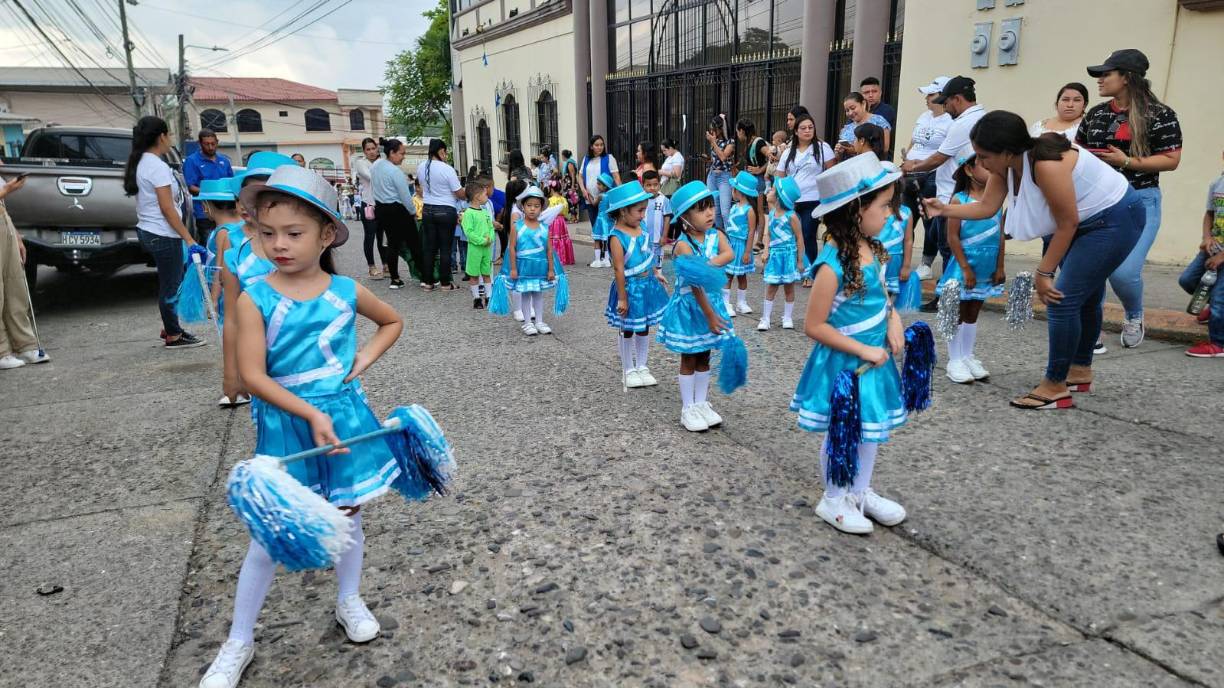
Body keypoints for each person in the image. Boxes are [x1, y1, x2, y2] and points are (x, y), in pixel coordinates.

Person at [199, 166, 405, 688]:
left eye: (294, 233)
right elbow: (251, 375)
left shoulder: (344, 289)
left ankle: (348, 599)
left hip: (344, 418)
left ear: (328, 234)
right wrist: (310, 411)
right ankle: (238, 640)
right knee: (267, 535)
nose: (279, 245)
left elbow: (393, 321)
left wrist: (361, 362)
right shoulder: (255, 297)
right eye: (268, 234)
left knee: (348, 513)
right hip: (288, 424)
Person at [923, 110, 1143, 410]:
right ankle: (1079, 370)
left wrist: (1044, 271)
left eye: (985, 156)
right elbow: (987, 207)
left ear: (1007, 151)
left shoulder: (1046, 165)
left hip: (1115, 218)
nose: (980, 163)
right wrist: (944, 210)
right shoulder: (1006, 165)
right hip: (1086, 220)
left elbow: (1068, 223)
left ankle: (1054, 386)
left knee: (1062, 299)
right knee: (1086, 296)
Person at [791, 152, 908, 535]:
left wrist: (893, 318)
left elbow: (882, 297)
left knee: (869, 428)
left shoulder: (873, 250)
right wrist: (862, 350)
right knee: (843, 430)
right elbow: (813, 325)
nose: (890, 214)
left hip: (874, 359)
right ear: (856, 210)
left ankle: (859, 492)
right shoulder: (832, 266)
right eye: (884, 205)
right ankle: (834, 497)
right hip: (846, 363)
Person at [1077, 49, 1183, 348]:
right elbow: (1079, 152)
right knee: (1090, 271)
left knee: (1124, 273)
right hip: (1098, 201)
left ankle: (1134, 314)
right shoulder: (1097, 113)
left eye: (1106, 74)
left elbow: (1171, 160)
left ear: (1126, 78)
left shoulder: (1159, 114)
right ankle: (1089, 332)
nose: (1100, 79)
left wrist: (1126, 162)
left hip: (1141, 199)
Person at [899, 76, 987, 310]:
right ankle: (952, 294)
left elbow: (939, 158)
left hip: (952, 195)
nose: (944, 106)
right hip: (955, 191)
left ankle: (948, 298)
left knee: (949, 246)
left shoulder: (962, 123)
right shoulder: (980, 116)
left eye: (946, 102)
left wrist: (913, 166)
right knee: (949, 244)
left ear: (957, 99)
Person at [656, 181, 734, 433]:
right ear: (686, 218)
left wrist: (705, 267)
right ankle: (687, 407)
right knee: (689, 356)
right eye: (702, 209)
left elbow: (729, 253)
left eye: (710, 206)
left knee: (705, 354)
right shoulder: (682, 245)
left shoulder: (716, 235)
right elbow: (696, 286)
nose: (710, 213)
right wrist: (710, 314)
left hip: (710, 302)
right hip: (692, 307)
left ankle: (701, 402)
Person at [123, 116, 203, 349]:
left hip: (151, 231)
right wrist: (189, 239)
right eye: (169, 135)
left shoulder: (143, 162)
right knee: (171, 286)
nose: (170, 140)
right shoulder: (156, 166)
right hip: (163, 233)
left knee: (169, 282)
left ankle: (170, 326)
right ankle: (174, 334)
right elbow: (167, 208)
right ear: (161, 137)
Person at [938, 151, 1005, 383]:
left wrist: (1000, 266)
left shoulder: (996, 199)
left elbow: (1000, 237)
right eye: (984, 166)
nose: (990, 171)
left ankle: (967, 356)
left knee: (973, 312)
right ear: (968, 169)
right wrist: (965, 268)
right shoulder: (959, 200)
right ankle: (954, 359)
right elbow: (953, 237)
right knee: (956, 311)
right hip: (965, 263)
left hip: (987, 264)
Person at [604, 181, 670, 388]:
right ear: (623, 211)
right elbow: (618, 270)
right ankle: (628, 368)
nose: (643, 215)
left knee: (644, 327)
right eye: (640, 211)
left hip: (647, 285)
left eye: (645, 210)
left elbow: (646, 255)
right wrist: (622, 298)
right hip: (630, 288)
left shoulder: (640, 229)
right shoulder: (616, 236)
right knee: (628, 329)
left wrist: (655, 273)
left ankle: (642, 365)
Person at [196, 178, 248, 406]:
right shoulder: (242, 226)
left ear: (206, 206)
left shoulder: (222, 233)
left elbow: (220, 272)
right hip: (246, 288)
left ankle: (240, 384)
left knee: (233, 337)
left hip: (230, 293)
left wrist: (213, 299)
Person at [774, 113, 836, 283]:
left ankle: (810, 272)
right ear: (796, 131)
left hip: (814, 199)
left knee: (808, 233)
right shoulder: (788, 152)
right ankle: (795, 268)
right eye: (803, 128)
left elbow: (831, 172)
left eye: (810, 127)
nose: (807, 131)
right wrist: (776, 198)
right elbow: (779, 175)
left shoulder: (823, 148)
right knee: (793, 235)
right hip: (791, 201)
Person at [904, 77, 953, 281]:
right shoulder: (924, 116)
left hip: (933, 175)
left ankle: (927, 262)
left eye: (931, 95)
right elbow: (914, 141)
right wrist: (907, 158)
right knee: (907, 217)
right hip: (911, 173)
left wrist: (919, 164)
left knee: (929, 221)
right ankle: (903, 260)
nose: (927, 99)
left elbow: (944, 152)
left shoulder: (951, 121)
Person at [1179, 149, 1224, 358]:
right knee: (1188, 280)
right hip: (1213, 248)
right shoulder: (1217, 183)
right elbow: (1209, 214)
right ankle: (1213, 308)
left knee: (1219, 300)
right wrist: (1206, 238)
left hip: (1222, 255)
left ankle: (1219, 344)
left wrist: (1221, 257)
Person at [0, 170, 46, 369]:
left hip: (3, 222)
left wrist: (15, 234)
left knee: (15, 285)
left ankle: (25, 345)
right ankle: (2, 350)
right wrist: (9, 188)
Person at [506, 186, 562, 335]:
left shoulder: (545, 228)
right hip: (523, 267)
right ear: (523, 207)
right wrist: (513, 268)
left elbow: (549, 249)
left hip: (539, 267)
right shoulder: (517, 227)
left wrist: (551, 269)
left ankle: (539, 321)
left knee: (538, 294)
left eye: (536, 206)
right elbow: (512, 248)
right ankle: (527, 322)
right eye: (529, 205)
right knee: (525, 294)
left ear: (541, 209)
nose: (532, 209)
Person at [416, 138, 466, 291]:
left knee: (429, 248)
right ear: (441, 151)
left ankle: (428, 282)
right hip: (445, 210)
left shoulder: (421, 167)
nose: (445, 155)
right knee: (445, 248)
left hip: (428, 210)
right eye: (445, 152)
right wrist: (466, 193)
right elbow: (459, 193)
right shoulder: (447, 169)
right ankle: (445, 283)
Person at [757, 177, 805, 331]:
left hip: (788, 255)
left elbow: (799, 238)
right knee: (771, 286)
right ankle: (765, 318)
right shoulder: (771, 215)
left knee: (789, 287)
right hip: (775, 256)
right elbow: (769, 235)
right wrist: (766, 250)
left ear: (778, 197)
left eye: (772, 190)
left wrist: (800, 261)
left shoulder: (791, 216)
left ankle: (788, 317)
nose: (768, 190)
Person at [373, 138, 421, 290]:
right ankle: (426, 277)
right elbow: (405, 196)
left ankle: (395, 278)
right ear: (392, 153)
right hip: (397, 210)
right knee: (414, 243)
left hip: (381, 208)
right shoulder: (395, 172)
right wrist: (413, 212)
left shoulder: (376, 165)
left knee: (392, 244)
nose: (403, 157)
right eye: (401, 153)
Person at [182, 128, 234, 244]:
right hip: (205, 212)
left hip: (226, 211)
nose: (210, 147)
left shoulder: (224, 161)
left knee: (227, 242)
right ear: (200, 144)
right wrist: (212, 194)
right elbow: (190, 187)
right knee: (210, 243)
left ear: (217, 142)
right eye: (206, 144)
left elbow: (231, 182)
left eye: (213, 144)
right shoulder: (192, 161)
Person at [579, 135, 621, 263]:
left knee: (608, 226)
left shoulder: (609, 158)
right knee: (596, 226)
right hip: (590, 198)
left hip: (606, 200)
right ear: (591, 146)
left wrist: (619, 195)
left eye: (601, 144)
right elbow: (579, 176)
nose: (599, 147)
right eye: (596, 145)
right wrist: (583, 190)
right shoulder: (586, 159)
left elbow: (616, 176)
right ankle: (600, 255)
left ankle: (610, 254)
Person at [722, 171, 758, 318]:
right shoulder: (734, 207)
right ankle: (726, 303)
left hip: (742, 245)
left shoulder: (749, 210)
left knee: (742, 276)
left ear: (739, 191)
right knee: (728, 275)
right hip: (731, 244)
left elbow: (751, 232)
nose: (732, 191)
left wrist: (748, 251)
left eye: (733, 189)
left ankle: (741, 302)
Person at [351, 137, 386, 279]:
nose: (371, 151)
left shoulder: (382, 161)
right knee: (370, 236)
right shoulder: (360, 163)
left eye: (373, 148)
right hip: (368, 204)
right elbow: (371, 176)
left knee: (382, 237)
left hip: (383, 204)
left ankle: (386, 264)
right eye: (368, 149)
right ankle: (371, 266)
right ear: (364, 151)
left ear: (377, 148)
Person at [877, 177, 915, 302]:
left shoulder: (906, 212)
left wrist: (906, 265)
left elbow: (908, 240)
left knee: (887, 298)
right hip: (873, 260)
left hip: (894, 263)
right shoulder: (871, 210)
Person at [461, 180, 495, 309]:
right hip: (475, 248)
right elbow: (468, 232)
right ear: (477, 196)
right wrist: (481, 240)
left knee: (486, 272)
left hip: (486, 248)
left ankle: (489, 296)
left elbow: (490, 227)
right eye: (485, 194)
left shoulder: (485, 212)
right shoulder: (468, 213)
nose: (487, 197)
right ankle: (476, 298)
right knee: (474, 274)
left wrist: (490, 237)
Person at [836, 93, 891, 160]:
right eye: (847, 110)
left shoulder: (879, 121)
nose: (850, 113)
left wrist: (856, 150)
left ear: (863, 104)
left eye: (853, 108)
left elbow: (884, 148)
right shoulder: (846, 129)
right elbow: (838, 158)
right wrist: (839, 152)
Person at [704, 115, 736, 231]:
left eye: (714, 129)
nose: (712, 131)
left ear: (721, 128)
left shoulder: (730, 142)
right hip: (712, 176)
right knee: (715, 211)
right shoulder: (715, 140)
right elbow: (715, 159)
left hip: (724, 177)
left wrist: (713, 142)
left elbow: (723, 157)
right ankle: (720, 237)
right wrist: (707, 159)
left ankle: (730, 238)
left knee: (725, 211)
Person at [737, 118, 771, 221]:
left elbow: (771, 157)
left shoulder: (758, 142)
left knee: (759, 211)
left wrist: (760, 170)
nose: (738, 135)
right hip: (752, 181)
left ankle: (759, 237)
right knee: (752, 210)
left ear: (742, 131)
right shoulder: (749, 143)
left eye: (737, 132)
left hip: (758, 181)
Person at [641, 170, 672, 264]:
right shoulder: (641, 200)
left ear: (659, 184)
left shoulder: (664, 200)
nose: (652, 188)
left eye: (655, 185)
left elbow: (667, 219)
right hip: (643, 240)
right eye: (648, 185)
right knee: (644, 264)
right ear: (643, 186)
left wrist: (664, 236)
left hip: (658, 240)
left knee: (658, 265)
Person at [588, 173, 616, 267]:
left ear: (605, 186)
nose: (597, 186)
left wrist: (589, 197)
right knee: (606, 241)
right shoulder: (611, 196)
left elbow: (594, 204)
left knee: (597, 239)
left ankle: (597, 260)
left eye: (599, 184)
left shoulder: (600, 196)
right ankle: (607, 260)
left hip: (601, 219)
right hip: (609, 220)